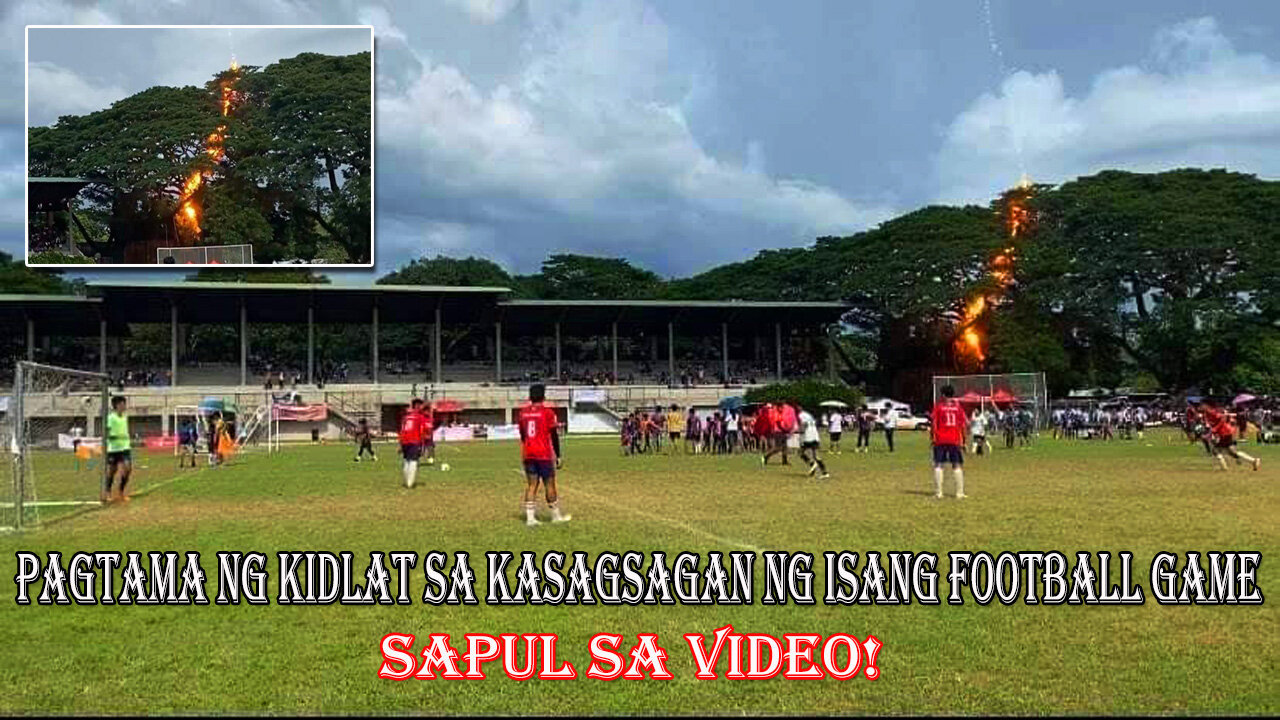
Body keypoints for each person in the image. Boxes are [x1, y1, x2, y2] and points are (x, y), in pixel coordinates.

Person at [519, 383, 569, 526]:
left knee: (531, 485)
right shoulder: (548, 413)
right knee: (549, 484)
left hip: (529, 453)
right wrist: (558, 455)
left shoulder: (523, 413)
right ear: (543, 396)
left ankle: (530, 519)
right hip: (543, 454)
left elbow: (523, 435)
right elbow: (554, 435)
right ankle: (555, 516)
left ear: (530, 396)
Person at [930, 386, 967, 499]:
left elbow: (933, 423)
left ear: (943, 395)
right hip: (954, 439)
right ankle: (959, 493)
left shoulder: (939, 407)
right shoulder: (958, 408)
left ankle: (939, 493)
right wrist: (963, 441)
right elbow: (963, 425)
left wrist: (932, 438)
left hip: (940, 439)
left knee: (939, 465)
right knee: (956, 465)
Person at [1203, 402, 1261, 472]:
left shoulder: (1213, 412)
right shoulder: (1208, 413)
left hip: (1224, 433)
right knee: (1232, 452)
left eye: (1203, 405)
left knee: (1216, 450)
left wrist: (1215, 429)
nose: (1201, 406)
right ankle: (1253, 461)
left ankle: (1224, 467)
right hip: (1225, 432)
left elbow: (1222, 419)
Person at [104, 395, 132, 503]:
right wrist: (113, 437)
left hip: (125, 448)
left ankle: (121, 491)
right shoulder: (110, 418)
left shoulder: (125, 417)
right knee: (111, 471)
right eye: (122, 404)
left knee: (127, 469)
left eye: (124, 404)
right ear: (116, 405)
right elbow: (107, 432)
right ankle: (108, 492)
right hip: (113, 449)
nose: (124, 406)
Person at [399, 399, 426, 488]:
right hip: (414, 441)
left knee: (407, 460)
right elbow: (422, 431)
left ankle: (407, 480)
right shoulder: (420, 417)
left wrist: (400, 443)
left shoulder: (406, 417)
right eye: (421, 405)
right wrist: (422, 445)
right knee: (414, 461)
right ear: (417, 406)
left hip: (405, 441)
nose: (422, 407)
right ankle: (410, 482)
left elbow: (402, 430)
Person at [799, 406, 830, 479]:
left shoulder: (801, 415)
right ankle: (824, 472)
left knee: (801, 453)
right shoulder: (808, 415)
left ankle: (812, 464)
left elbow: (804, 427)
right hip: (815, 435)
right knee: (816, 455)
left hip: (808, 437)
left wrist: (796, 431)